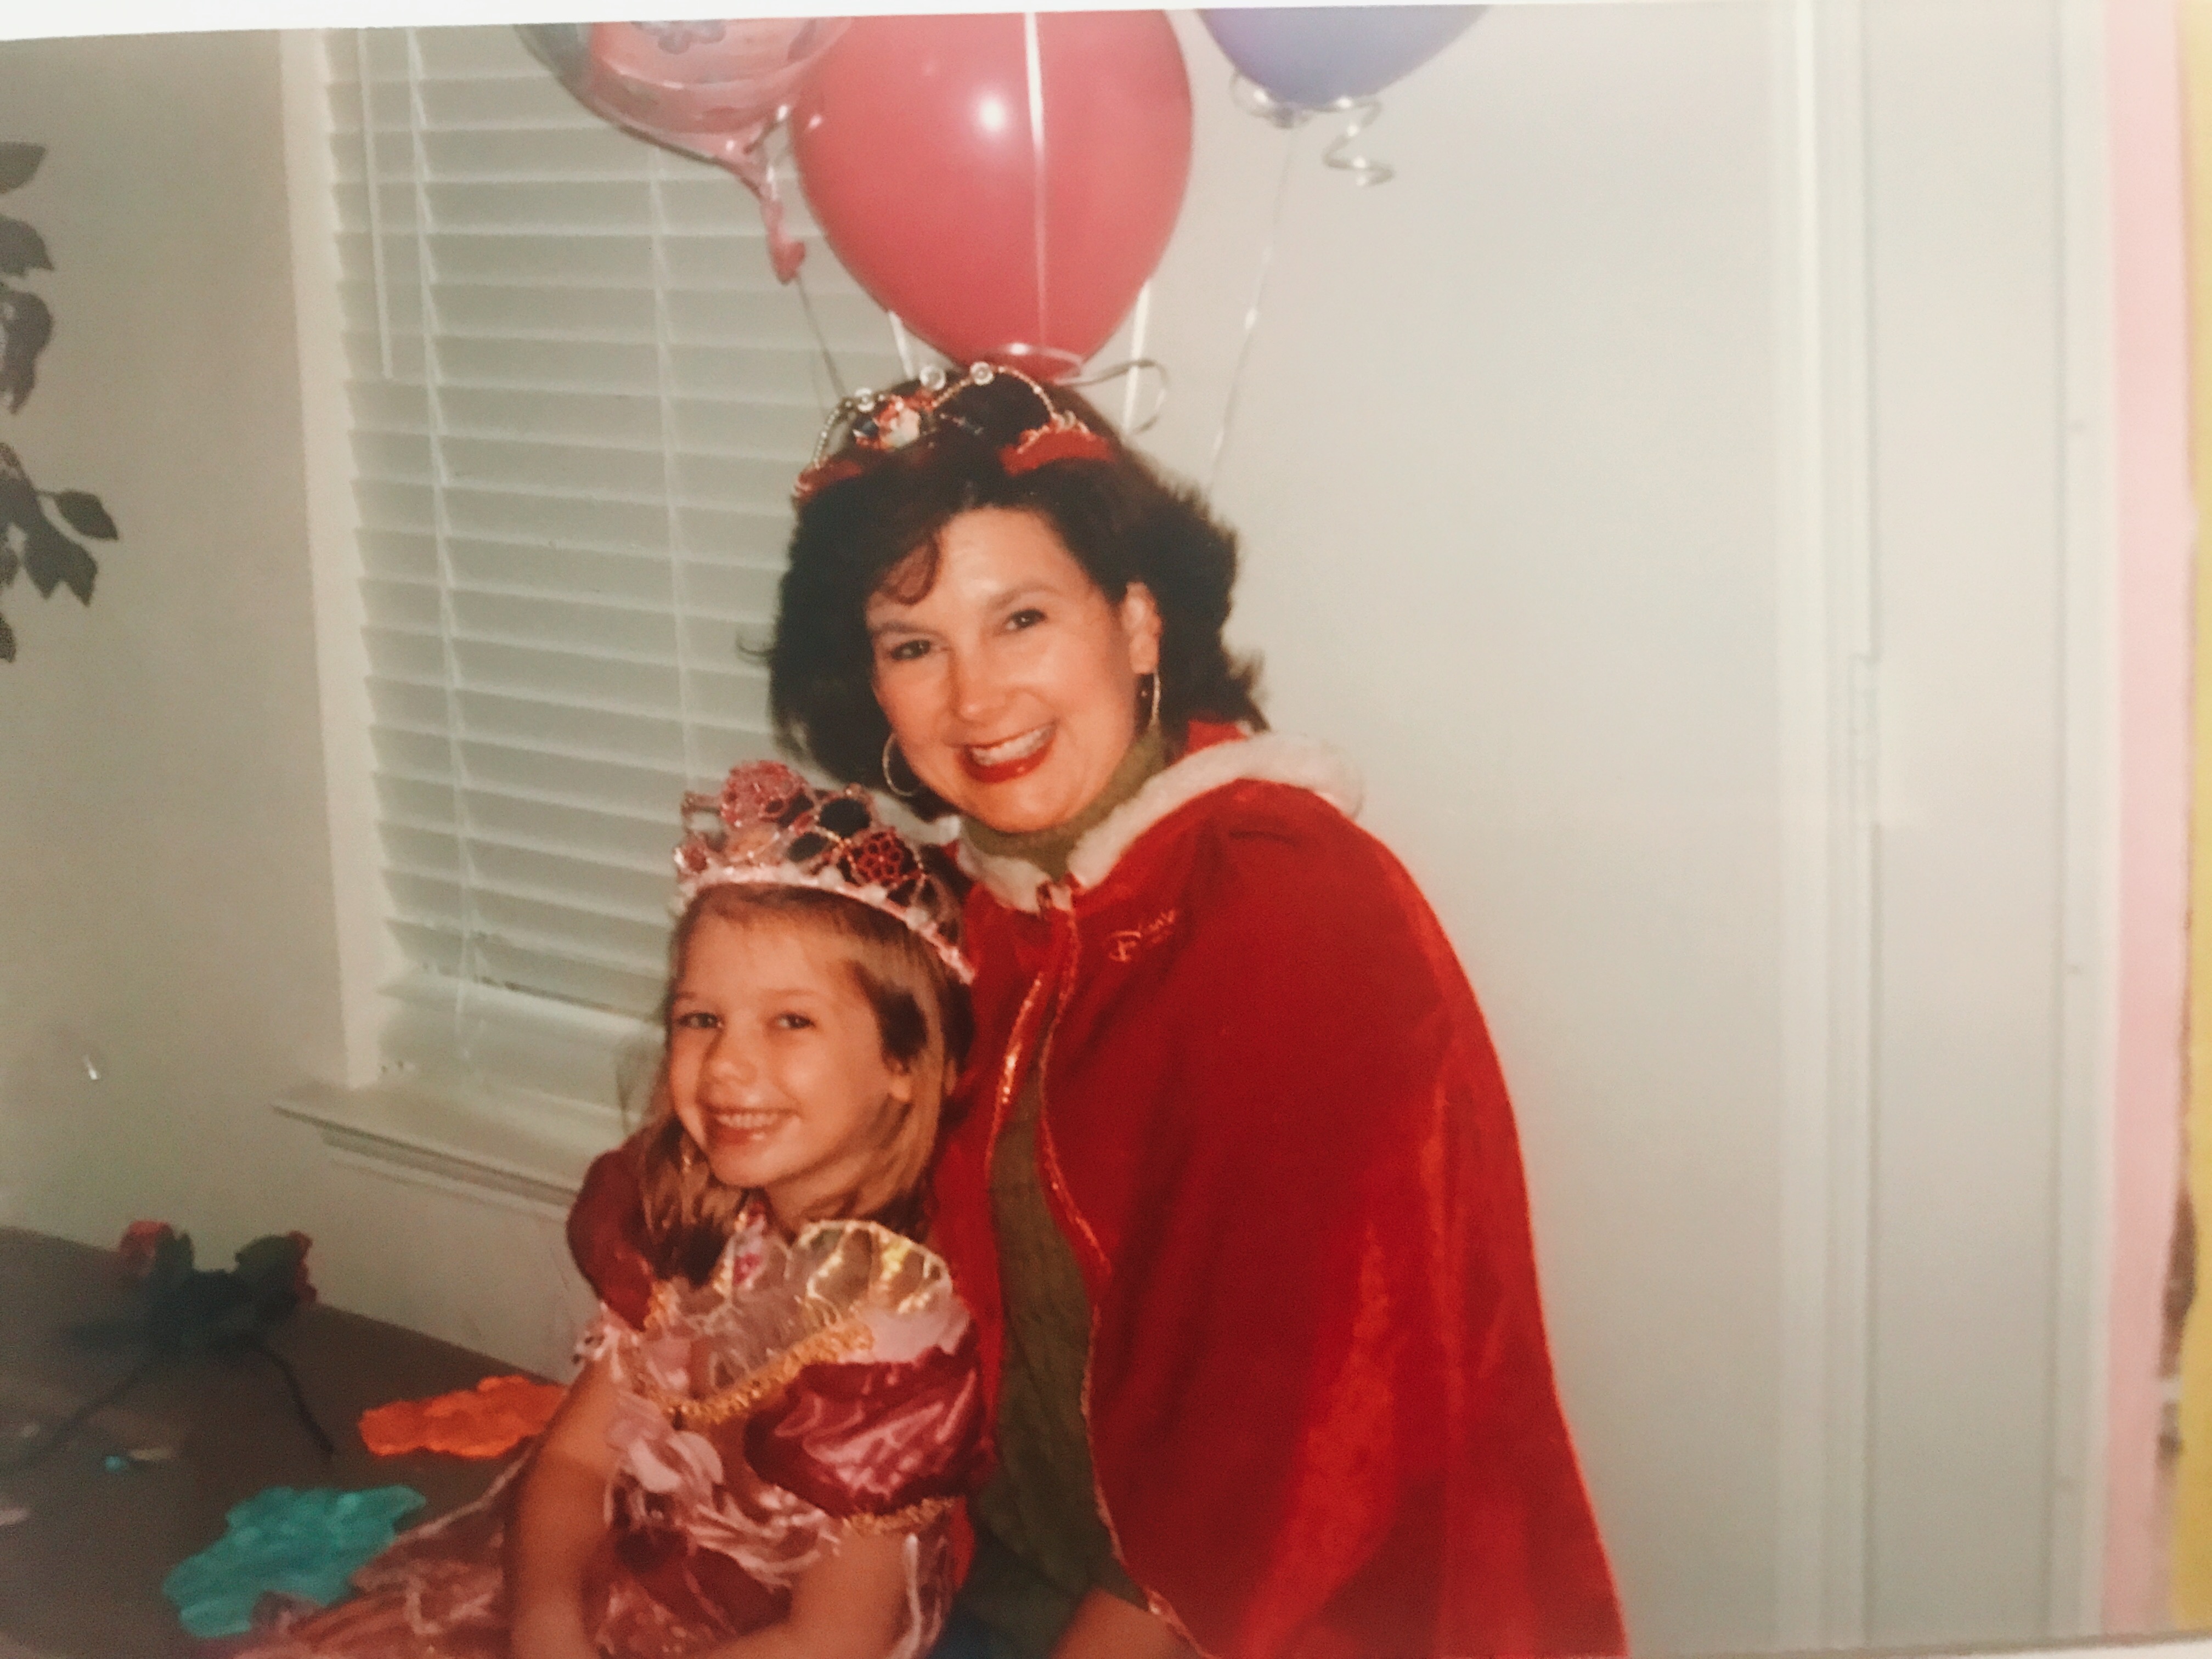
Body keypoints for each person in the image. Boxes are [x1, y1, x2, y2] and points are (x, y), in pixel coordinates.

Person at [768, 363, 1629, 1659]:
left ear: (1139, 623)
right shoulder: (961, 917)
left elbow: (1292, 1454)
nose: (976, 700)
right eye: (913, 646)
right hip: (969, 1585)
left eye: (1021, 620)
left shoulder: (1282, 908)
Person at [233, 764, 985, 1659]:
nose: (727, 1066)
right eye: (701, 1019)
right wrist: (543, 1623)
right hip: (631, 1586)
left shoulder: (894, 1346)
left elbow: (834, 1640)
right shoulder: (701, 1231)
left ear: (905, 1062)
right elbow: (575, 1462)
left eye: (791, 1022)